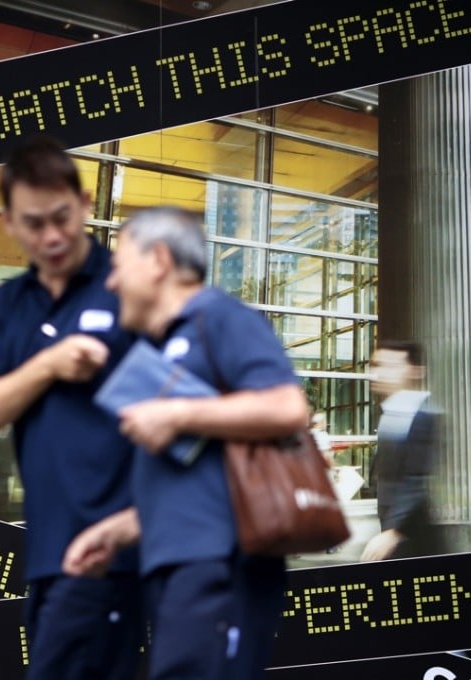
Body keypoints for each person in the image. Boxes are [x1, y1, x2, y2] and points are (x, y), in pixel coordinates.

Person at [62, 206, 308, 680]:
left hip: (219, 565)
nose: (111, 284)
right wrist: (117, 530)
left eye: (117, 267)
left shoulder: (218, 317)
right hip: (180, 566)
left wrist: (175, 413)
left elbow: (288, 408)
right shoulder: (162, 348)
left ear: (157, 261)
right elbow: (202, 479)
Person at [0, 136, 142, 679]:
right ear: (9, 224)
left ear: (86, 205)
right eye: (34, 223)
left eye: (62, 217)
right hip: (49, 549)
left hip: (111, 550)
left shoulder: (131, 285)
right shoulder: (12, 303)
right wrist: (49, 363)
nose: (53, 236)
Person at [361, 340, 443, 561]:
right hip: (392, 529)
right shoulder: (391, 411)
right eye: (377, 365)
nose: (379, 373)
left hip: (412, 534)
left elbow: (415, 481)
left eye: (390, 365)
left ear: (415, 371)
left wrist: (392, 531)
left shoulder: (425, 415)